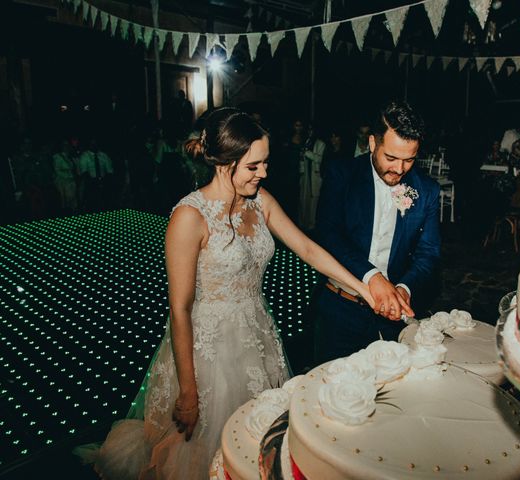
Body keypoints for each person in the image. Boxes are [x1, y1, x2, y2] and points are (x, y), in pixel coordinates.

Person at [78, 108, 376, 480]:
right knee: (204, 452)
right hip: (207, 352)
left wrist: (365, 289)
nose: (263, 173)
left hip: (258, 335)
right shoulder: (190, 217)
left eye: (265, 163)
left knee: (256, 442)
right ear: (224, 163)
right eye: (254, 166)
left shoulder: (260, 201)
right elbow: (180, 309)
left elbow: (308, 250)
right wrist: (188, 391)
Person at [313, 100, 440, 363]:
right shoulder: (342, 174)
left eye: (409, 160)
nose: (399, 169)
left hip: (392, 320)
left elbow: (428, 254)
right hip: (341, 308)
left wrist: (404, 288)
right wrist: (372, 276)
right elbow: (329, 235)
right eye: (391, 158)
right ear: (372, 143)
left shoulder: (426, 189)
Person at [299, 124, 326, 231]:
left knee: (314, 202)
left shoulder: (321, 144)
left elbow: (320, 159)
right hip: (306, 177)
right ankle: (303, 225)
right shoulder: (306, 142)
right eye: (308, 129)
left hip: (315, 177)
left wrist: (307, 153)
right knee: (304, 200)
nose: (310, 132)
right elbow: (302, 158)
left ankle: (312, 227)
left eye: (312, 129)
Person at [77, 137, 114, 212]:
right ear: (89, 144)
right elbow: (84, 173)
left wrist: (105, 181)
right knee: (92, 205)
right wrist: (94, 182)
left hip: (104, 182)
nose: (94, 145)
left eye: (95, 143)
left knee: (105, 205)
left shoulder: (103, 155)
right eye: (92, 143)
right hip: (91, 183)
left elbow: (110, 171)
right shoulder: (85, 156)